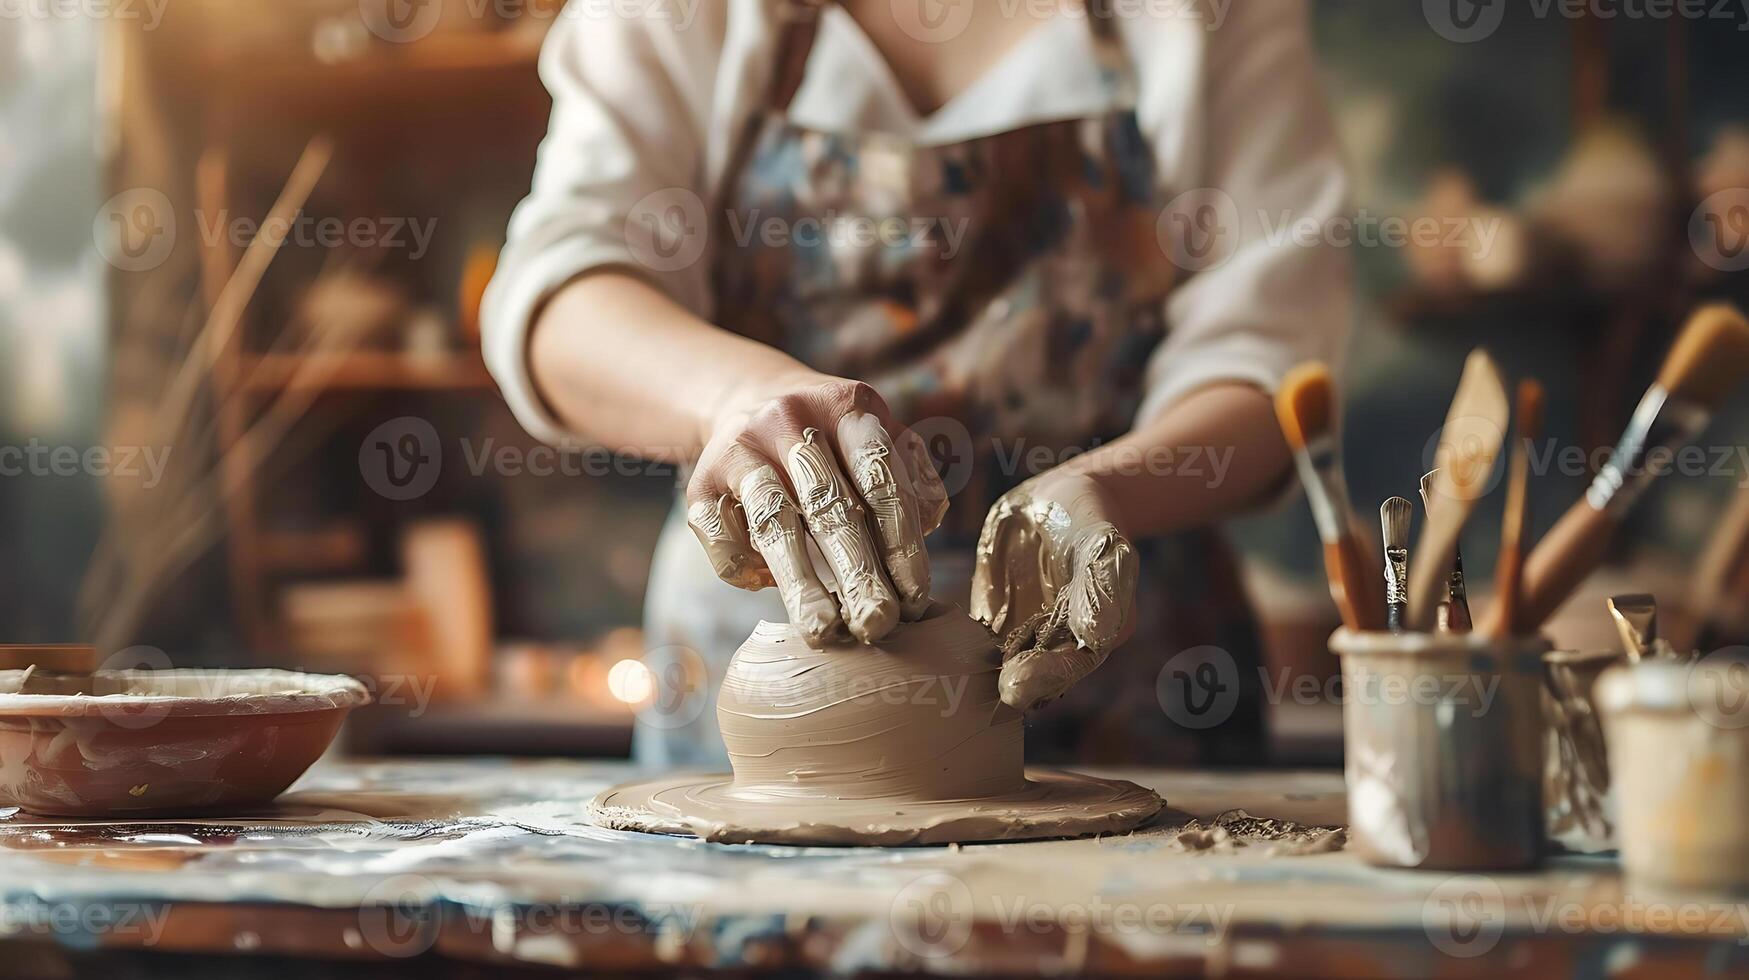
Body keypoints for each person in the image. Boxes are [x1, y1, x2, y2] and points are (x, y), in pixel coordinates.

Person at [483, 0, 1350, 768]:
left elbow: (1268, 355)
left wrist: (1107, 489)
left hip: (1116, 663)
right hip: (771, 665)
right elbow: (562, 290)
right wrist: (737, 399)